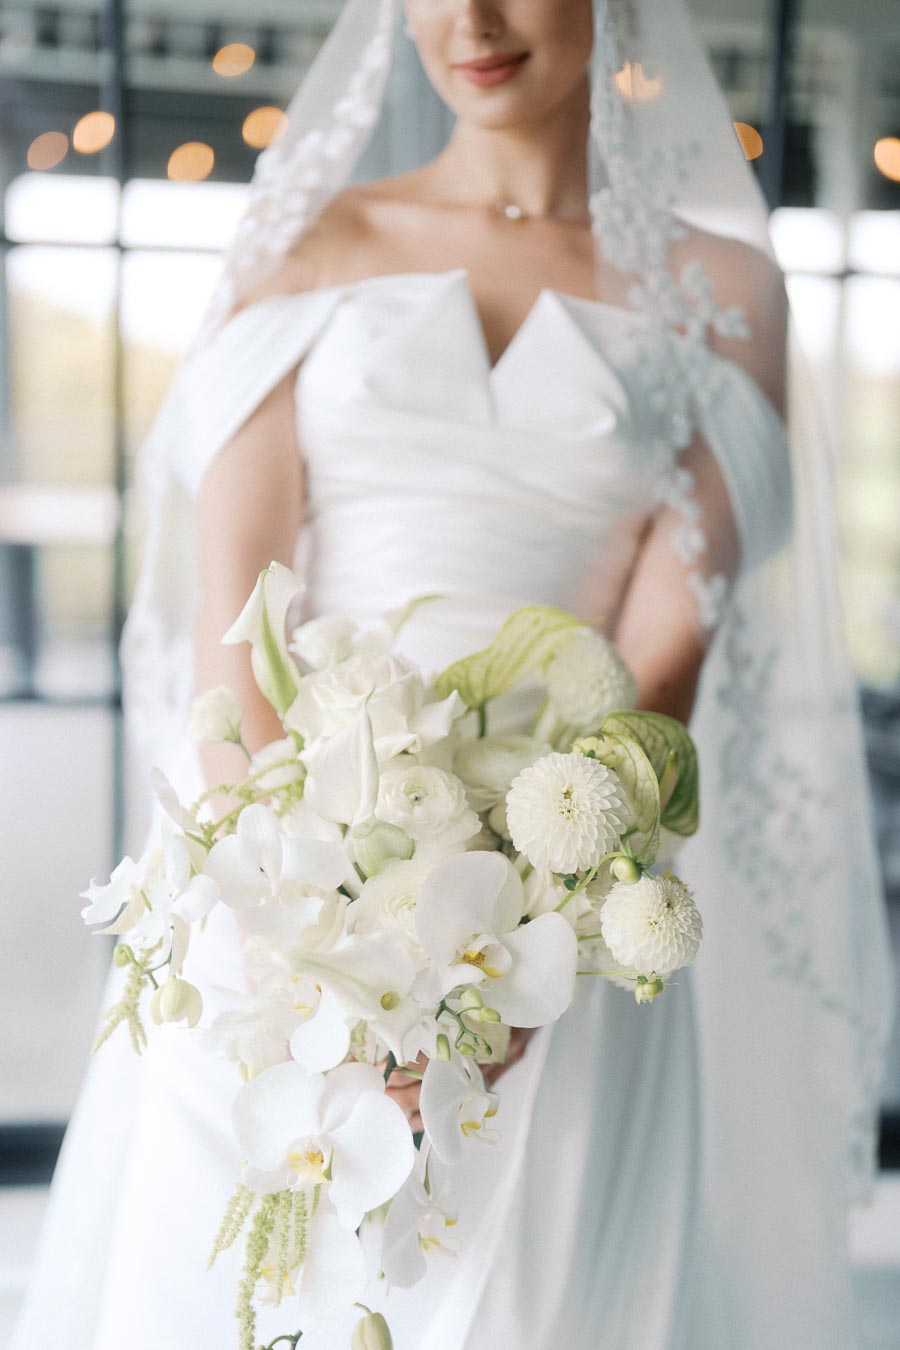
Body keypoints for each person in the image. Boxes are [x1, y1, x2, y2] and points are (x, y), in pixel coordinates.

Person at [12, 1, 894, 1347]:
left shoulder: (723, 289)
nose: (469, 21)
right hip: (284, 913)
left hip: (569, 917)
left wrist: (521, 967)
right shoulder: (305, 250)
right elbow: (236, 618)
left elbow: (659, 667)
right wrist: (300, 942)